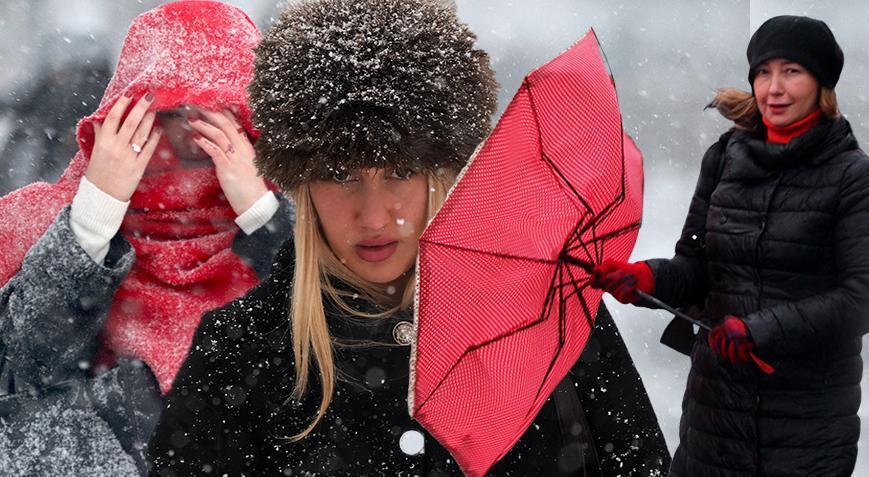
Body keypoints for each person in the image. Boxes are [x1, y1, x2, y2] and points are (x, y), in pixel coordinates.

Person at [148, 0, 670, 475]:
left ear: (439, 175)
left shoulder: (543, 309)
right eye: (340, 174)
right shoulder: (241, 348)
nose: (374, 216)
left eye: (399, 171)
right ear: (303, 187)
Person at [0, 2, 294, 475]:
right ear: (131, 114)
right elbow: (26, 376)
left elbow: (337, 343)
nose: (197, 132)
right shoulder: (44, 219)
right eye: (176, 110)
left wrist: (264, 215)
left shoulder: (317, 217)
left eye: (220, 110)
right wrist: (95, 214)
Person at [592, 15, 869, 477]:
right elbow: (697, 267)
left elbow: (861, 299)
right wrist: (646, 277)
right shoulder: (725, 158)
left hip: (805, 431)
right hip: (713, 423)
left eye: (791, 71)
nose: (774, 88)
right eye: (763, 72)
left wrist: (762, 329)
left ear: (822, 84)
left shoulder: (852, 177)